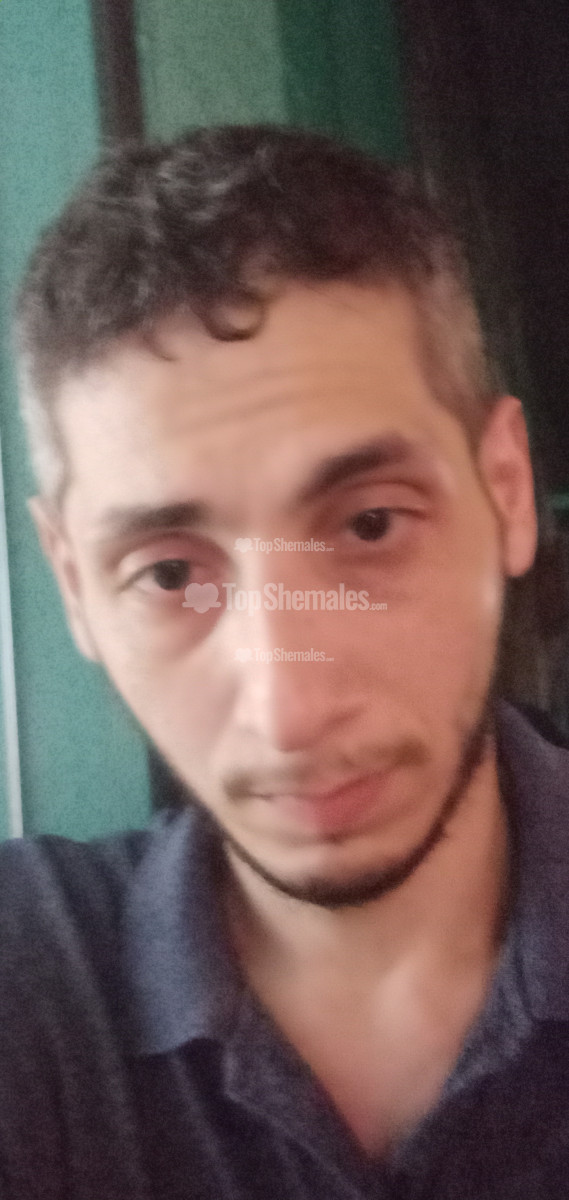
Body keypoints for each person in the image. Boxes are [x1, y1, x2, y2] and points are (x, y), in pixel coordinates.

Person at [3, 123, 568, 1200]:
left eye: (369, 525)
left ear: (504, 491)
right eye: (170, 574)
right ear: (74, 586)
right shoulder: (27, 980)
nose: (289, 709)